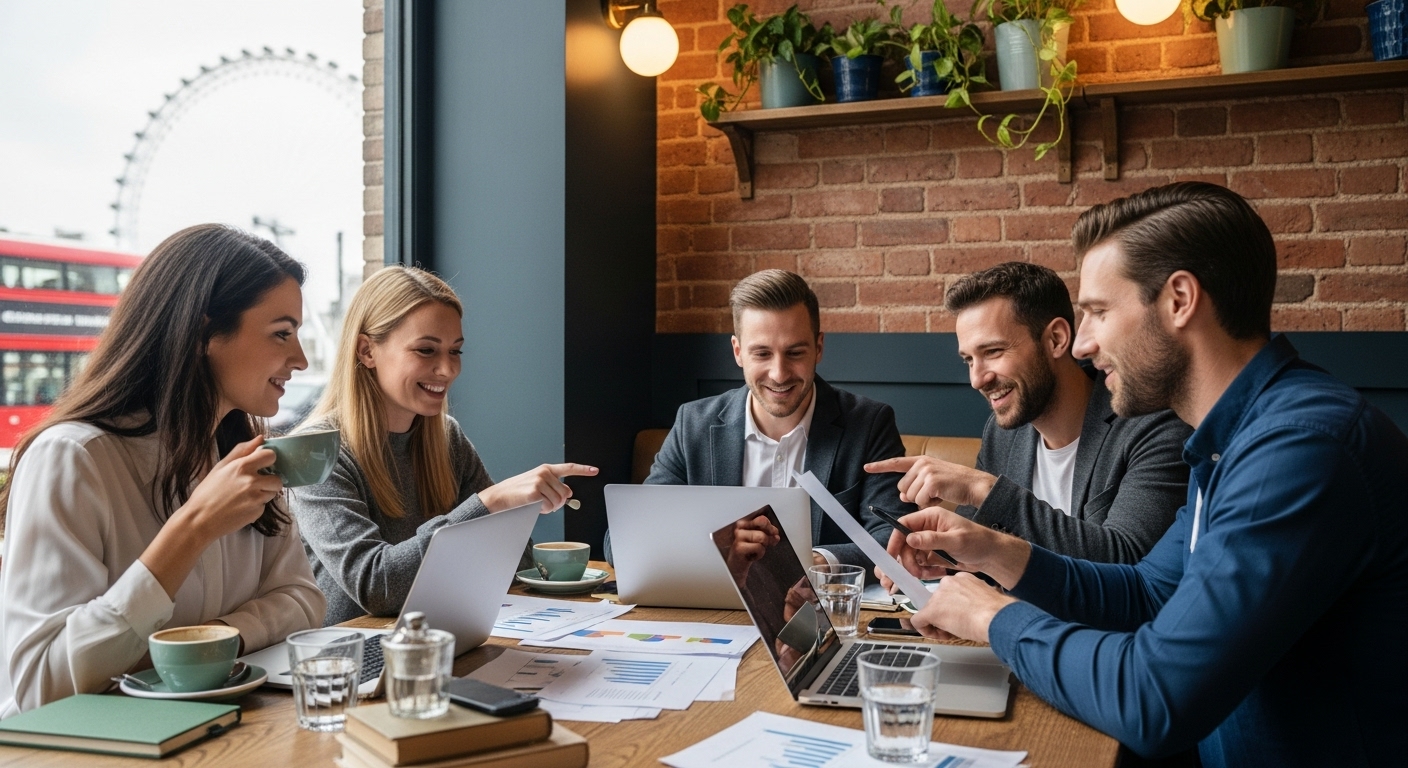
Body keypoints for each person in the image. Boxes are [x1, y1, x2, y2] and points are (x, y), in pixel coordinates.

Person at [885, 183, 1408, 767]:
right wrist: (992, 551)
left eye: (1098, 312)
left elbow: (1153, 698)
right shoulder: (1237, 437)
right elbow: (1148, 593)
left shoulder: (1301, 448)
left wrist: (992, 616)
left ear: (1179, 299)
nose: (1081, 343)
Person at [0, 224, 326, 716]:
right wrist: (192, 530)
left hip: (215, 735)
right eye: (281, 333)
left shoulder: (244, 456)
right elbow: (40, 687)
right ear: (202, 335)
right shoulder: (73, 459)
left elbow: (302, 598)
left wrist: (213, 644)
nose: (299, 359)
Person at [291, 266, 598, 626]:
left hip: (441, 639)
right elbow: (376, 585)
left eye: (456, 351)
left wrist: (511, 517)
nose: (447, 369)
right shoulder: (314, 453)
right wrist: (490, 503)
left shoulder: (446, 439)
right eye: (426, 350)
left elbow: (516, 568)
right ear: (366, 351)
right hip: (354, 659)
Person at [865, 262, 1190, 563]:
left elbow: (1127, 559)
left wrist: (985, 490)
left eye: (992, 352)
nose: (977, 379)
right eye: (968, 359)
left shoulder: (1150, 423)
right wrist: (942, 558)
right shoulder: (1003, 432)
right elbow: (981, 547)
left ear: (1056, 339)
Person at [605, 269, 914, 570]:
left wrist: (815, 562)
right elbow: (621, 542)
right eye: (762, 354)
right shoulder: (693, 425)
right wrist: (722, 550)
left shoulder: (870, 424)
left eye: (794, 353)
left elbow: (894, 535)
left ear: (818, 348)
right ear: (738, 352)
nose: (779, 374)